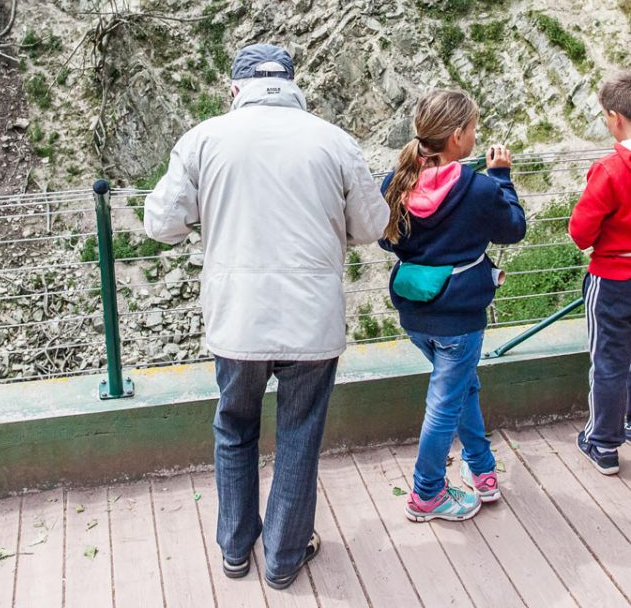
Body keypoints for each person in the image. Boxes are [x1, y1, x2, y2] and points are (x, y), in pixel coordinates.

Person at [144, 43, 389, 589]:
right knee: (299, 435)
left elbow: (160, 223)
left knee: (235, 429)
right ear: (293, 85)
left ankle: (235, 550)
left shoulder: (204, 139)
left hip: (237, 320)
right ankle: (283, 558)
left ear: (235, 89)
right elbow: (372, 225)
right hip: (312, 321)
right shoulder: (334, 141)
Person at [379, 88, 526, 522]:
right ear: (458, 136)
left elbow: (388, 240)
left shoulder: (395, 182)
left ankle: (481, 469)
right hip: (459, 317)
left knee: (462, 387)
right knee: (444, 404)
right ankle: (426, 494)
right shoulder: (479, 188)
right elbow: (513, 229)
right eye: (473, 129)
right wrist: (502, 177)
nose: (475, 136)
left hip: (415, 312)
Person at [569, 71, 631, 475]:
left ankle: (603, 443)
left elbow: (581, 233)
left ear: (615, 117)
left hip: (613, 278)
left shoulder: (609, 170)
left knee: (608, 360)